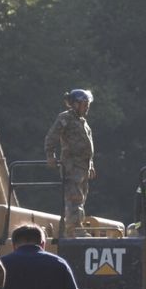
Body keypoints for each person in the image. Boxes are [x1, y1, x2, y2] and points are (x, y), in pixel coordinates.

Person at [44, 88, 95, 235]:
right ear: (75, 104)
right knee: (74, 199)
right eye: (84, 104)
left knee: (81, 198)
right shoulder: (65, 118)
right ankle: (74, 229)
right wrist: (50, 154)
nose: (87, 107)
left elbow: (87, 145)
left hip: (83, 167)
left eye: (87, 104)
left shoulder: (83, 122)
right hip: (72, 166)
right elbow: (52, 136)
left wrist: (90, 165)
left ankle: (76, 227)